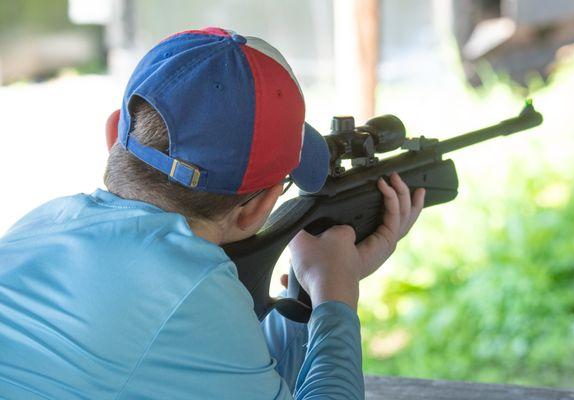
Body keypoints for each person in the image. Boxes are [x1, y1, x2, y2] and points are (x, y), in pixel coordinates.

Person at [0, 27, 425, 399]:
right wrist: (336, 298)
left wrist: (308, 298)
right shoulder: (193, 290)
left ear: (115, 134)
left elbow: (240, 375)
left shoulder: (41, 223)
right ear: (258, 207)